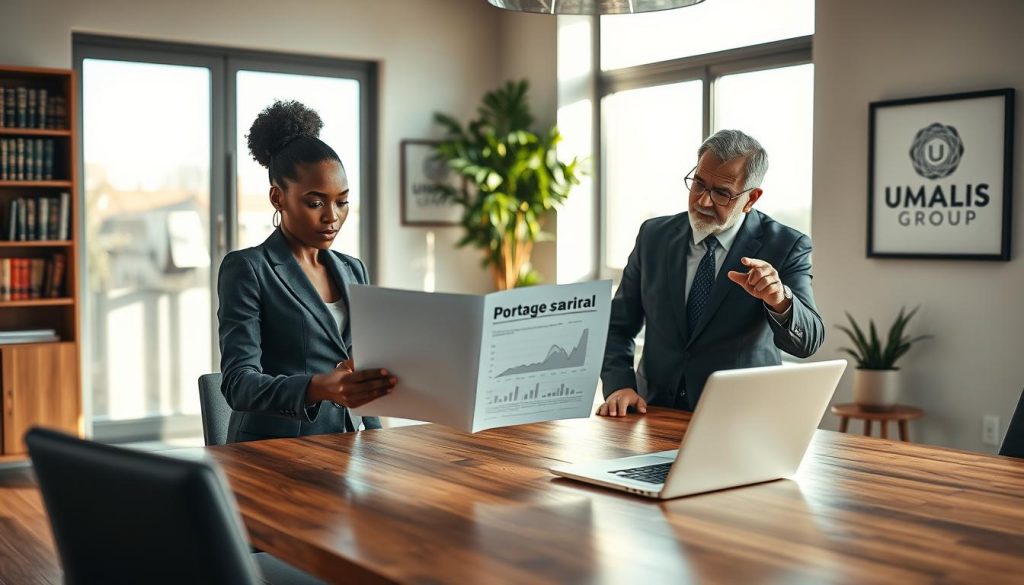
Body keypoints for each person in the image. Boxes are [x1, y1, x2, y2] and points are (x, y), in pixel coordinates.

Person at [598, 129, 824, 417]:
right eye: (699, 185)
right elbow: (617, 326)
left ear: (751, 198)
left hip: (741, 421)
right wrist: (619, 385)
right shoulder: (653, 236)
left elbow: (809, 342)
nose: (703, 201)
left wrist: (779, 299)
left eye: (721, 193)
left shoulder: (786, 246)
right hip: (654, 412)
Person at [217, 100, 396, 442]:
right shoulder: (248, 269)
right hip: (272, 451)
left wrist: (377, 438)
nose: (332, 216)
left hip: (346, 446)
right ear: (277, 197)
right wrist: (317, 388)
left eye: (342, 201)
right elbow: (238, 384)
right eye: (315, 203)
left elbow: (361, 369)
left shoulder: (353, 269)